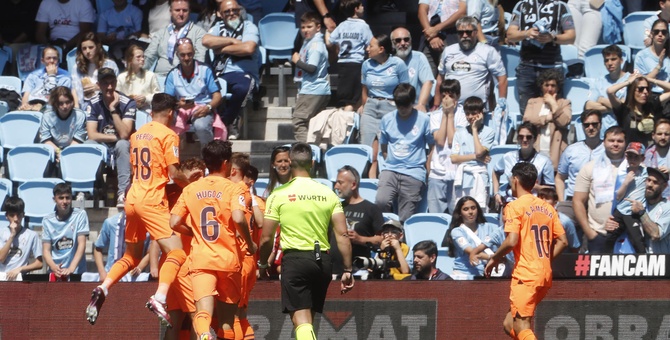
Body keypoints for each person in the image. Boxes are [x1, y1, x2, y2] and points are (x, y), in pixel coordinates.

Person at [85, 93, 197, 326]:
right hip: (151, 199)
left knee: (131, 256)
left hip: (132, 198)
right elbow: (174, 173)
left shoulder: (136, 135)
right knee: (177, 253)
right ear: (170, 113)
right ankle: (159, 297)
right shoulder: (168, 135)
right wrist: (192, 188)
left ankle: (104, 287)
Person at [258, 143, 354, 340]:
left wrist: (262, 262)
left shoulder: (278, 194)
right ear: (312, 163)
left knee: (301, 320)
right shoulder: (328, 193)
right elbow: (343, 235)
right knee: (308, 322)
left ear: (291, 162)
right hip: (322, 262)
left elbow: (267, 237)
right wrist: (347, 269)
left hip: (296, 261)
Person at [170, 140, 256, 340]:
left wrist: (193, 232)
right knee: (226, 322)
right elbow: (237, 217)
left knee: (203, 312)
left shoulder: (191, 189)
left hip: (202, 260)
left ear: (206, 163)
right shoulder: (233, 188)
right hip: (228, 260)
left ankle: (203, 335)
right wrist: (249, 242)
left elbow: (174, 222)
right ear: (226, 163)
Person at [485, 162, 568, 340]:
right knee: (510, 324)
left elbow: (511, 240)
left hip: (526, 273)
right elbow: (563, 241)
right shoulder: (548, 208)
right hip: (544, 274)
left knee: (522, 324)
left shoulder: (514, 206)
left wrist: (494, 258)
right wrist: (545, 260)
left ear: (515, 180)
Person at [375, 84, 435, 222]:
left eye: (405, 105)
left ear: (412, 102)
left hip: (414, 171)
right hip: (391, 169)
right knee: (380, 201)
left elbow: (432, 146)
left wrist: (427, 167)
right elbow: (383, 145)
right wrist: (389, 160)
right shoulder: (387, 119)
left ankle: (401, 241)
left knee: (405, 215)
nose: (402, 109)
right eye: (398, 105)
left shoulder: (423, 119)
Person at [202, 0, 261, 139]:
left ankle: (226, 121)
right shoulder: (218, 27)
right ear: (220, 14)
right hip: (221, 74)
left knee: (243, 87)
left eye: (235, 10)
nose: (232, 13)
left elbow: (248, 48)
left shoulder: (249, 26)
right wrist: (233, 41)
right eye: (227, 11)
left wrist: (220, 48)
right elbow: (206, 41)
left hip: (244, 74)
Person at [506, 0, 576, 115]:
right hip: (527, 68)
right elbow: (510, 35)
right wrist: (526, 33)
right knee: (528, 113)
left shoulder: (561, 6)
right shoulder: (522, 5)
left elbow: (571, 36)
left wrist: (552, 37)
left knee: (554, 112)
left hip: (552, 67)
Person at [164, 158, 206, 340]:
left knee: (176, 321)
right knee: (198, 318)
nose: (199, 179)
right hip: (181, 265)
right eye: (194, 175)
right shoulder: (172, 193)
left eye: (202, 175)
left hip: (186, 264)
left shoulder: (204, 196)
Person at [85, 68, 136, 208]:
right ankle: (92, 191)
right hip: (103, 146)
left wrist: (113, 109)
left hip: (122, 147)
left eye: (112, 82)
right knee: (89, 144)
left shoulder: (128, 102)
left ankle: (122, 193)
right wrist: (116, 136)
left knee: (123, 144)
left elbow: (125, 134)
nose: (109, 87)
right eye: (105, 83)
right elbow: (92, 135)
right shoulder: (93, 103)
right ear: (98, 85)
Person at [433, 16, 507, 112]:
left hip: (477, 109)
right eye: (460, 33)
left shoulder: (488, 51)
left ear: (476, 32)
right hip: (450, 108)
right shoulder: (448, 51)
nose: (464, 36)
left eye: (468, 32)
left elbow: (502, 79)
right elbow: (440, 80)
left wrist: (501, 105)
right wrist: (436, 105)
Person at [573, 126, 626, 253]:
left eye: (619, 141)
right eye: (611, 140)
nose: (615, 144)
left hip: (627, 235)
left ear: (626, 143)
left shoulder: (636, 168)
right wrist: (589, 233)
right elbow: (578, 201)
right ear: (604, 142)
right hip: (598, 234)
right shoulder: (590, 168)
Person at [555, 110, 605, 239]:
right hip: (572, 199)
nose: (591, 128)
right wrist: (561, 201)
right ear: (582, 126)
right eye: (587, 125)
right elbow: (560, 177)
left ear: (600, 124)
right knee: (559, 225)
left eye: (594, 124)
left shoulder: (607, 149)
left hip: (598, 201)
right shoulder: (572, 150)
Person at [165, 37, 224, 146]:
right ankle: (172, 156)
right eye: (182, 55)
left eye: (189, 54)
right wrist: (178, 105)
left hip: (202, 108)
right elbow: (167, 101)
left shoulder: (205, 69)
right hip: (181, 110)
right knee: (165, 119)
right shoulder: (172, 74)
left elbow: (217, 96)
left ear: (194, 53)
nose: (186, 58)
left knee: (200, 126)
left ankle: (208, 156)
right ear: (177, 55)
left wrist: (208, 107)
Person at [226, 152, 258, 340]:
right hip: (246, 258)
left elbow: (239, 225)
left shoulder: (238, 191)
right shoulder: (244, 192)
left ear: (233, 170)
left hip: (242, 257)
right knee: (240, 314)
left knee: (235, 314)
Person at [332, 165, 384, 275]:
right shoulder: (335, 208)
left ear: (353, 185)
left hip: (358, 273)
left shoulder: (371, 209)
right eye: (336, 183)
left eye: (340, 183)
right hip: (332, 272)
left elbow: (381, 239)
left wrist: (360, 239)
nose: (336, 186)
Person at [359, 33, 409, 147]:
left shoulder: (398, 64)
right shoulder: (366, 65)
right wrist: (364, 105)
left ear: (381, 49)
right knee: (366, 147)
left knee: (387, 147)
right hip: (370, 109)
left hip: (390, 108)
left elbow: (405, 90)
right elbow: (364, 89)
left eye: (371, 46)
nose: (367, 49)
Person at [449, 96, 496, 213]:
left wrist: (474, 130)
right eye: (467, 114)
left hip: (479, 177)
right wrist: (476, 157)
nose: (470, 117)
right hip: (463, 177)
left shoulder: (489, 132)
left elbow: (480, 151)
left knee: (480, 211)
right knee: (461, 211)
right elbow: (454, 158)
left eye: (473, 113)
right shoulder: (459, 133)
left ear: (481, 113)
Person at [427, 79, 467, 213]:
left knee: (456, 215)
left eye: (451, 96)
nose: (446, 99)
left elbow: (452, 141)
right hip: (437, 172)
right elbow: (439, 141)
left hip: (457, 172)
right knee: (435, 215)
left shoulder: (464, 115)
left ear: (458, 96)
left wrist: (450, 115)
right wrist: (445, 114)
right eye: (444, 96)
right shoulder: (435, 115)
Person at [493, 123, 555, 209]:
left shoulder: (544, 161)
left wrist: (537, 187)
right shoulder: (508, 157)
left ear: (535, 139)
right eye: (521, 137)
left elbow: (550, 189)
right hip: (510, 203)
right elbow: (495, 171)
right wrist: (496, 193)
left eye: (528, 137)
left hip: (533, 205)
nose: (524, 140)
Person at [325, 0, 373, 112]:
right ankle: (348, 124)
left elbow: (329, 42)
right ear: (356, 9)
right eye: (361, 5)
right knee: (356, 99)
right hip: (357, 64)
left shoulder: (342, 25)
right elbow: (371, 44)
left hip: (342, 64)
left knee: (348, 99)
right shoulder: (363, 26)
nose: (363, 7)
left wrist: (327, 31)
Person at [290, 12, 331, 143]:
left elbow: (312, 68)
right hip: (318, 89)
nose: (305, 30)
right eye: (303, 27)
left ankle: (304, 154)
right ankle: (314, 153)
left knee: (299, 121)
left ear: (318, 27)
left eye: (309, 27)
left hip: (312, 90)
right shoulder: (310, 42)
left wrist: (297, 61)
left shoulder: (315, 45)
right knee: (314, 125)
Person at [444, 196, 505, 280]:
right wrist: (493, 258)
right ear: (460, 213)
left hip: (484, 274)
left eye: (473, 208)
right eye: (465, 209)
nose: (470, 212)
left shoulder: (489, 227)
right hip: (463, 274)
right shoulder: (457, 231)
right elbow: (472, 252)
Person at [522, 68, 571, 171]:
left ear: (558, 87)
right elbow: (527, 120)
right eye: (546, 85)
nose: (549, 89)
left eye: (553, 85)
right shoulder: (533, 102)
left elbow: (564, 121)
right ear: (541, 86)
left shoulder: (564, 103)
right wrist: (547, 118)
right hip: (536, 149)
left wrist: (553, 104)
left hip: (555, 152)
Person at [144, 0, 207, 77]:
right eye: (177, 10)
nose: (181, 14)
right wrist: (137, 72)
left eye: (185, 10)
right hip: (160, 78)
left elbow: (200, 60)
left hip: (185, 78)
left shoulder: (199, 32)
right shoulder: (161, 33)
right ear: (170, 12)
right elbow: (149, 57)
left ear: (189, 11)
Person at [605, 142, 648, 253]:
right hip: (620, 210)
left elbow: (659, 177)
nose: (632, 159)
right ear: (626, 156)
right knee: (609, 237)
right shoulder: (622, 174)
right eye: (630, 156)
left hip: (633, 213)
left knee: (638, 241)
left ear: (642, 158)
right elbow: (618, 196)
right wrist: (626, 182)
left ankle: (644, 263)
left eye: (636, 156)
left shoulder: (646, 173)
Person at [42, 183, 90, 279]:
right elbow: (46, 250)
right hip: (56, 272)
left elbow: (82, 244)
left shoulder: (80, 215)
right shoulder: (47, 220)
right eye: (61, 198)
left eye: (67, 198)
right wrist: (54, 267)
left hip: (76, 272)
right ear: (54, 199)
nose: (64, 201)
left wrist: (71, 268)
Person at [607, 73, 670, 146]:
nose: (645, 92)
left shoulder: (652, 106)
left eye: (647, 89)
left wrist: (650, 79)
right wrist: (628, 82)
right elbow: (610, 91)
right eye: (641, 89)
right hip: (631, 154)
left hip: (650, 153)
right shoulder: (624, 110)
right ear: (632, 91)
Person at [93, 212, 157, 282]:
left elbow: (151, 251)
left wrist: (139, 267)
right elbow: (98, 248)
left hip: (135, 277)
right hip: (111, 273)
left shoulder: (148, 225)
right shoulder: (111, 222)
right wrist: (102, 272)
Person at [584, 44, 630, 138]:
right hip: (602, 135)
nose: (610, 63)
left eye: (613, 59)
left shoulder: (629, 80)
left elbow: (625, 108)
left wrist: (602, 100)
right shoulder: (599, 81)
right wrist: (614, 106)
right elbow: (588, 106)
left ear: (621, 60)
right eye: (606, 60)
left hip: (622, 133)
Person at [623, 167, 670, 253]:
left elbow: (656, 234)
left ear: (664, 186)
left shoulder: (667, 207)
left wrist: (641, 212)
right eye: (648, 180)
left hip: (661, 262)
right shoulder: (638, 202)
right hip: (638, 261)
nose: (650, 185)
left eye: (655, 182)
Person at [391, 26, 435, 113]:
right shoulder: (389, 61)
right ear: (392, 43)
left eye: (406, 39)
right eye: (398, 40)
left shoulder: (419, 57)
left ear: (411, 41)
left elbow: (427, 82)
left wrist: (421, 104)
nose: (403, 43)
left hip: (415, 106)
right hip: (394, 107)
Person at [417, 0, 466, 75]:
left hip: (451, 34)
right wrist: (431, 36)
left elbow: (462, 13)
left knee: (449, 72)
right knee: (426, 72)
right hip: (429, 34)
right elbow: (422, 12)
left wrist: (436, 29)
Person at [0, 197, 43, 281]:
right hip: (2, 276)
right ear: (6, 216)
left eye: (19, 215)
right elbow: (1, 258)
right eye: (12, 215)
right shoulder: (1, 233)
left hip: (19, 278)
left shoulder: (32, 235)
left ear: (23, 214)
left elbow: (39, 263)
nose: (16, 219)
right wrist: (12, 236)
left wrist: (20, 269)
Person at [73, 33, 120, 108]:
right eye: (84, 48)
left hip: (104, 104)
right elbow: (75, 88)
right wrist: (76, 106)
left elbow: (117, 87)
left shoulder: (110, 65)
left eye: (91, 47)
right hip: (84, 104)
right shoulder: (77, 67)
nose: (87, 51)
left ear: (98, 47)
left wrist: (99, 87)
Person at [39, 86, 88, 159]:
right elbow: (46, 140)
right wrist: (59, 152)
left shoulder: (80, 116)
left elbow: (78, 139)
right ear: (55, 104)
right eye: (60, 103)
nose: (65, 106)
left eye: (68, 102)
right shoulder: (47, 116)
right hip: (54, 150)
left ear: (72, 102)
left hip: (74, 149)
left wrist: (66, 155)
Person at [20, 46, 73, 111]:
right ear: (42, 60)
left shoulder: (66, 77)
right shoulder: (33, 75)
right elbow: (26, 95)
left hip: (51, 107)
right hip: (31, 104)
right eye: (48, 58)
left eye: (54, 58)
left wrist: (51, 75)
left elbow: (59, 98)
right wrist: (25, 106)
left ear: (58, 60)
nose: (52, 61)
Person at [117, 45, 160, 112]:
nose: (142, 59)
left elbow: (157, 95)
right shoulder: (121, 77)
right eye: (138, 57)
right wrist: (130, 99)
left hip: (146, 109)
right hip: (127, 110)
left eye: (143, 57)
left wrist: (146, 98)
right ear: (130, 59)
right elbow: (117, 95)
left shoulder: (150, 75)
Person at [537, 187, 581, 252]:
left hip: (560, 257)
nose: (543, 201)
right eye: (540, 198)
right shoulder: (530, 217)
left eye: (547, 198)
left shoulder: (565, 221)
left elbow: (574, 245)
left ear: (555, 202)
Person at [634, 19, 670, 90]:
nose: (660, 35)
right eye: (656, 32)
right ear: (651, 34)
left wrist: (651, 79)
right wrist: (658, 67)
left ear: (667, 35)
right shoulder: (641, 56)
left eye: (664, 32)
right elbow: (640, 83)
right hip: (648, 95)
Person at [645, 118, 670, 200]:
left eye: (666, 134)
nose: (663, 137)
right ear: (653, 135)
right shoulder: (644, 156)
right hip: (651, 200)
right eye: (659, 134)